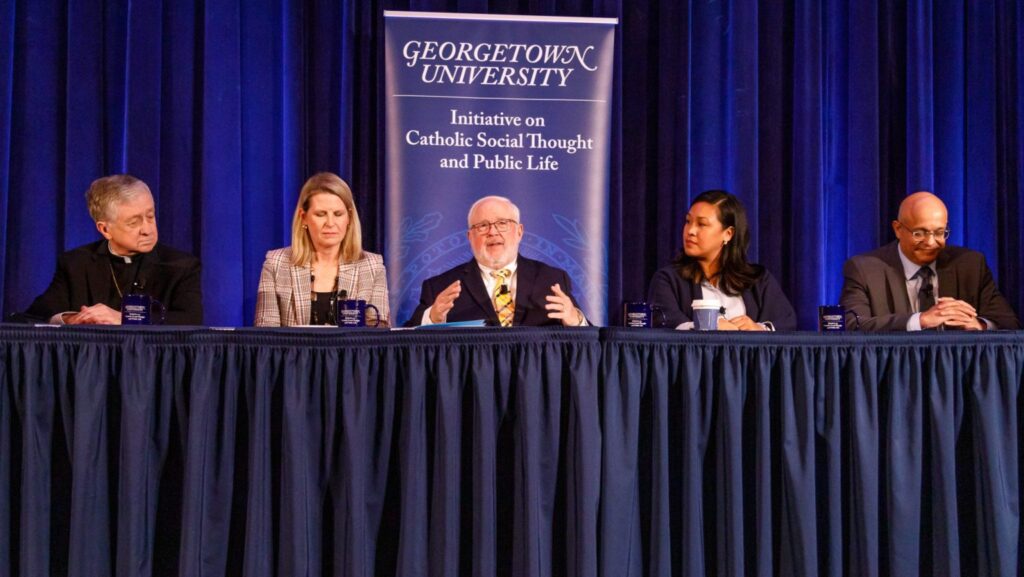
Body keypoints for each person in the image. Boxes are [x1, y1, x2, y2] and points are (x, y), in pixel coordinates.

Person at [23, 174, 202, 325]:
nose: (147, 230)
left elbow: (191, 319)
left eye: (150, 216)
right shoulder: (76, 263)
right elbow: (35, 315)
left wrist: (123, 318)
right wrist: (73, 318)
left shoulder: (182, 266)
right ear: (105, 229)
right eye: (134, 223)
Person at [840, 191, 1019, 331]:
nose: (931, 242)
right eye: (920, 233)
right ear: (898, 229)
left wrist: (979, 325)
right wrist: (920, 321)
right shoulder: (864, 269)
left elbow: (1009, 323)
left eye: (940, 232)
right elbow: (850, 325)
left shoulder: (970, 265)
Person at [404, 195, 588, 327]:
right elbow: (408, 342)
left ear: (519, 231)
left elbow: (588, 344)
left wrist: (574, 320)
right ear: (470, 236)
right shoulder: (440, 287)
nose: (492, 232)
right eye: (482, 226)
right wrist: (434, 317)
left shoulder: (551, 279)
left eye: (502, 223)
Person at [647, 190, 797, 330]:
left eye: (702, 224)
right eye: (688, 221)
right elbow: (664, 322)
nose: (690, 231)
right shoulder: (668, 280)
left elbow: (787, 322)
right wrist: (709, 326)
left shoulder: (758, 280)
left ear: (728, 234)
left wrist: (760, 329)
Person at [255, 172, 390, 326]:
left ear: (349, 218)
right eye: (321, 214)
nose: (330, 223)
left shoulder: (372, 266)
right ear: (303, 217)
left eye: (338, 214)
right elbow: (266, 336)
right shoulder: (276, 264)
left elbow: (379, 336)